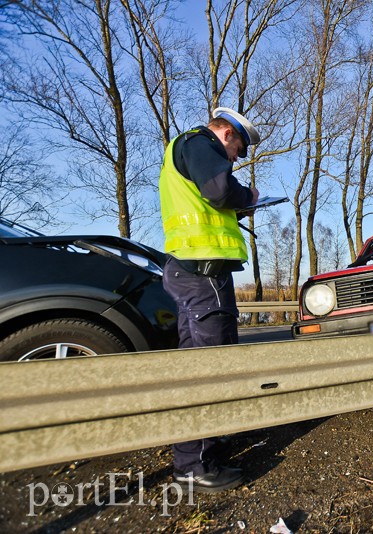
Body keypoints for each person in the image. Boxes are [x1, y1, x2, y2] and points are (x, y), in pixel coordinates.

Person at [159, 106, 261, 492]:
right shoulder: (200, 144)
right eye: (238, 150)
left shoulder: (183, 150)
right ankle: (193, 465)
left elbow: (209, 203)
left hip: (191, 272)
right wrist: (248, 196)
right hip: (203, 277)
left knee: (198, 364)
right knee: (210, 367)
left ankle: (205, 444)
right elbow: (220, 192)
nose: (236, 159)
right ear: (228, 135)